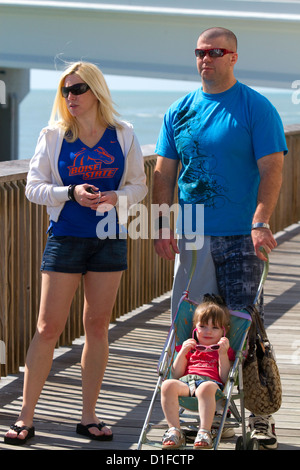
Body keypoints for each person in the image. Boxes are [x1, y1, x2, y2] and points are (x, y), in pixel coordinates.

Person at [153, 27, 288, 450]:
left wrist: (261, 220)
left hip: (241, 237)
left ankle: (260, 416)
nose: (205, 59)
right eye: (199, 52)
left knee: (244, 325)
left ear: (233, 57)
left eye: (215, 52)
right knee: (191, 326)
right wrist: (161, 224)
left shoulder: (256, 108)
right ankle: (206, 416)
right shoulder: (179, 111)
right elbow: (163, 172)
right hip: (193, 236)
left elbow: (272, 169)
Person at [4, 61, 147, 445]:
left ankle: (88, 417)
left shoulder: (123, 134)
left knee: (97, 327)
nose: (71, 97)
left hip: (109, 237)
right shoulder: (53, 135)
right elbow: (34, 186)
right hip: (66, 237)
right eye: (66, 91)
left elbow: (138, 186)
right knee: (47, 328)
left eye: (78, 89)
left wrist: (117, 196)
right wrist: (69, 193)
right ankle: (25, 417)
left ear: (96, 91)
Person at [161, 294, 233, 450]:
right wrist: (183, 352)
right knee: (167, 385)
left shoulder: (223, 350)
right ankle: (174, 430)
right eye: (203, 326)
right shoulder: (189, 346)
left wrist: (223, 354)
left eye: (215, 328)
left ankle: (204, 431)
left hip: (211, 384)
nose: (208, 332)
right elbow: (177, 374)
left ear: (223, 331)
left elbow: (225, 377)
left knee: (204, 388)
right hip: (187, 382)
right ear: (195, 328)